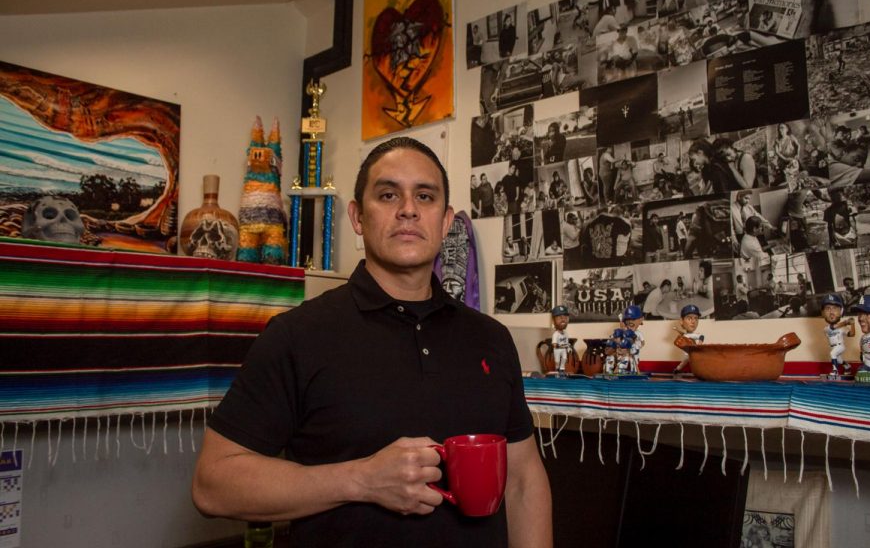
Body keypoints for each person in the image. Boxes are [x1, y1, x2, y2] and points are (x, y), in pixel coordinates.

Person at [192, 137, 552, 548]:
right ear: (357, 217)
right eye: (387, 194)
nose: (409, 209)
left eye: (425, 195)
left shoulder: (491, 339)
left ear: (446, 220)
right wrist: (361, 480)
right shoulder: (297, 335)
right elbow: (213, 484)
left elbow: (523, 481)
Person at [821, 293, 855, 379]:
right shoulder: (826, 328)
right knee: (839, 360)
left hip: (840, 345)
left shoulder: (843, 328)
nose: (831, 312)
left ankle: (835, 371)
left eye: (835, 308)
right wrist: (846, 322)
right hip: (833, 346)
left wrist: (852, 324)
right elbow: (833, 327)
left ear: (841, 311)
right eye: (828, 308)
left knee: (832, 354)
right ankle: (847, 366)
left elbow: (852, 334)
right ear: (823, 313)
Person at [672, 304, 704, 375]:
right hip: (688, 354)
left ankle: (700, 372)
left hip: (694, 353)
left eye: (696, 318)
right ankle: (677, 370)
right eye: (689, 318)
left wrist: (700, 343)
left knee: (698, 362)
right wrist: (677, 330)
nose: (693, 322)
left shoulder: (694, 335)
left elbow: (701, 336)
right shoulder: (685, 335)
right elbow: (682, 334)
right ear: (681, 321)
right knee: (684, 362)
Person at [620, 305, 645, 372]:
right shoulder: (626, 332)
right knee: (623, 361)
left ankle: (635, 372)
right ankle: (621, 371)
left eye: (633, 319)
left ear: (641, 319)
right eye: (627, 320)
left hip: (634, 350)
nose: (630, 321)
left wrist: (638, 346)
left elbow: (643, 342)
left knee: (634, 362)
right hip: (626, 351)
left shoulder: (638, 333)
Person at [550, 305, 573, 376]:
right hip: (557, 350)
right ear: (554, 321)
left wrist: (568, 347)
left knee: (564, 359)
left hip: (563, 349)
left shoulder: (566, 333)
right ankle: (557, 369)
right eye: (560, 317)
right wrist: (560, 345)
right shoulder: (555, 334)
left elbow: (567, 342)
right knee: (557, 360)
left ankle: (562, 369)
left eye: (565, 317)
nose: (563, 319)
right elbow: (554, 344)